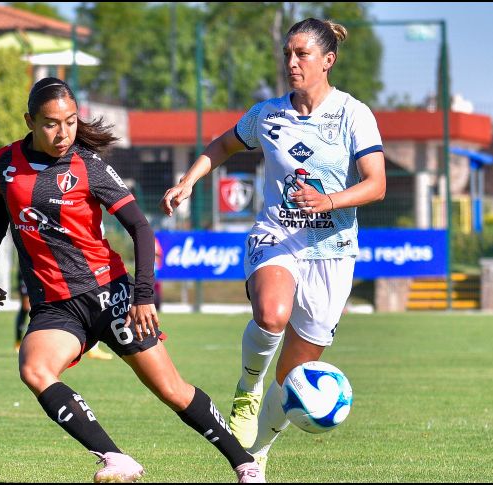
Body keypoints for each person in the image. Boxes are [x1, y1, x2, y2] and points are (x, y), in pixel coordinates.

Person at [0, 77, 264, 483]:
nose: (63, 133)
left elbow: (141, 229)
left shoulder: (88, 166)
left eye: (71, 122)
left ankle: (245, 463)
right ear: (31, 121)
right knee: (35, 369)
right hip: (56, 305)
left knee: (172, 391)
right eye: (52, 123)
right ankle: (115, 458)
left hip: (110, 296)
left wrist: (143, 297)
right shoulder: (5, 162)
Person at [160, 18, 386, 474]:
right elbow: (221, 145)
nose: (291, 63)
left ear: (328, 60)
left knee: (292, 381)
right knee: (271, 314)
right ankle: (247, 388)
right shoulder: (267, 114)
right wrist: (188, 181)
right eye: (287, 53)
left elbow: (377, 183)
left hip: (333, 250)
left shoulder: (353, 114)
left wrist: (329, 200)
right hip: (277, 235)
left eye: (302, 54)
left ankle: (256, 454)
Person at [16, 263, 113, 359]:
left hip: (49, 273)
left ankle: (93, 348)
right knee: (26, 307)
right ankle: (19, 342)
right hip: (28, 271)